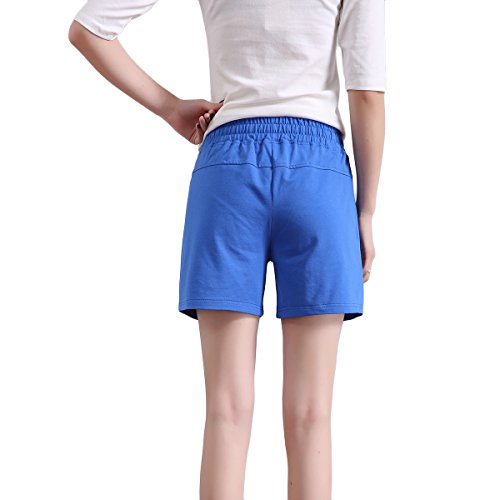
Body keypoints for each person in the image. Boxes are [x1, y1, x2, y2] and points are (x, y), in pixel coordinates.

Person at [68, 0, 386, 497]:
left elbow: (89, 30)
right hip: (318, 175)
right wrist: (365, 211)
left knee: (226, 409)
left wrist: (171, 108)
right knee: (311, 414)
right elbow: (366, 93)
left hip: (227, 169)